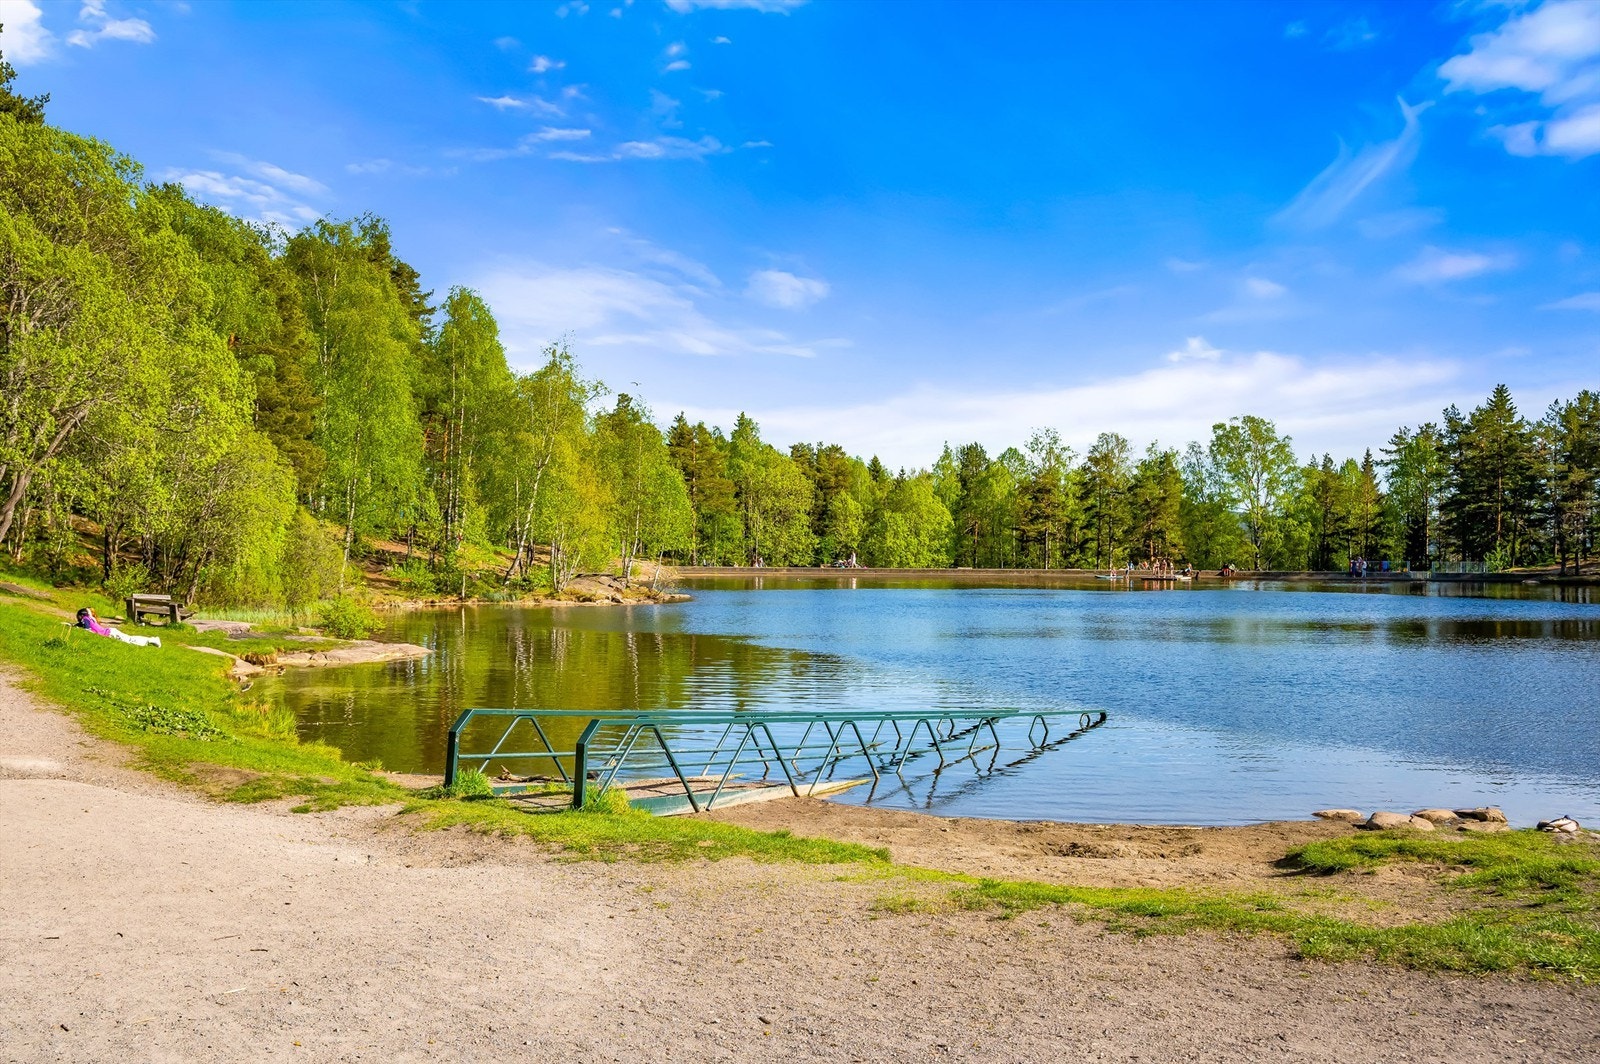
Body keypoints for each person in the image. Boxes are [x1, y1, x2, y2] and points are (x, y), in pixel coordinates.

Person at [76, 607, 161, 648]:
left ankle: (152, 640)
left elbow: (87, 629)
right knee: (129, 639)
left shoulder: (85, 619)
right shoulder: (90, 619)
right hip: (110, 632)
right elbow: (82, 625)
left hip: (110, 633)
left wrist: (77, 627)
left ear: (82, 615)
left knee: (129, 640)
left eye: (79, 616)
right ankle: (150, 640)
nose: (78, 618)